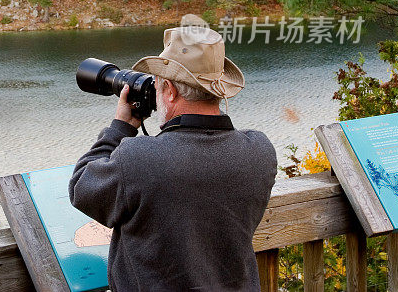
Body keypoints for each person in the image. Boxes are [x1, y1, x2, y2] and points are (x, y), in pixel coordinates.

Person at [68, 25, 277, 292]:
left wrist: (121, 126)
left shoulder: (139, 159)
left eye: (155, 83)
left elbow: (82, 187)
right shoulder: (259, 151)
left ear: (169, 90)